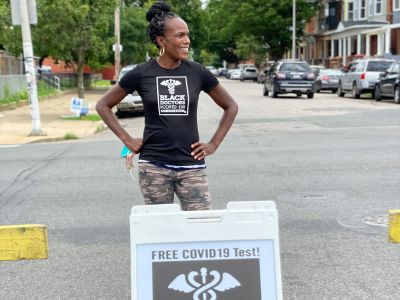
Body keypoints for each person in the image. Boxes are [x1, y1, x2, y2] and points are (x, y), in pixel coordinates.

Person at [96, 1, 238, 211]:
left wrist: (213, 144)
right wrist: (126, 139)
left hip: (191, 166)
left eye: (187, 35)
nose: (186, 41)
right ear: (161, 40)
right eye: (179, 35)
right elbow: (103, 105)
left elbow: (231, 106)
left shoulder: (196, 71)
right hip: (154, 167)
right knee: (160, 230)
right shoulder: (142, 73)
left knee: (200, 226)